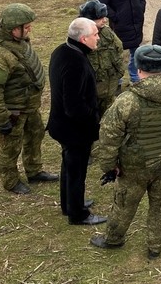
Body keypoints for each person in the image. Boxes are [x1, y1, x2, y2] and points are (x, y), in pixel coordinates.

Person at [90, 45, 161, 259]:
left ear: (139, 69)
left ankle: (113, 239)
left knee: (124, 204)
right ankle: (156, 247)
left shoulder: (126, 101)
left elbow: (109, 138)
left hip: (133, 167)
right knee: (160, 204)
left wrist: (109, 167)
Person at [0, 3, 58, 195]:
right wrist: (1, 119)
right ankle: (10, 181)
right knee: (11, 147)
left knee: (35, 135)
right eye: (26, 26)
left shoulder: (16, 42)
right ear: (14, 28)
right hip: (13, 111)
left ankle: (34, 170)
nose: (29, 29)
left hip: (28, 107)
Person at [46, 18, 106, 225]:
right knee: (77, 171)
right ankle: (78, 214)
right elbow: (74, 106)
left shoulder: (61, 51)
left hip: (62, 125)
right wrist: (94, 121)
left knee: (70, 168)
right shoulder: (76, 62)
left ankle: (70, 204)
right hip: (74, 130)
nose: (98, 37)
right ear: (83, 38)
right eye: (95, 35)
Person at [96, 0, 146, 85]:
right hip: (119, 26)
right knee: (116, 54)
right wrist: (116, 17)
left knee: (136, 52)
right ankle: (117, 80)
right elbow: (102, 3)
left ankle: (135, 78)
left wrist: (140, 9)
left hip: (136, 23)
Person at [78, 0, 125, 117]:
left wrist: (119, 72)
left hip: (109, 87)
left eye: (105, 16)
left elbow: (118, 48)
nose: (105, 20)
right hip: (92, 92)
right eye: (100, 18)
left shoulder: (107, 32)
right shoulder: (80, 36)